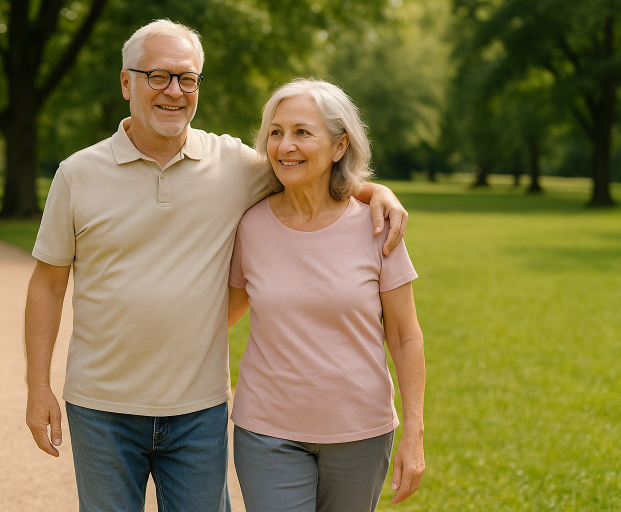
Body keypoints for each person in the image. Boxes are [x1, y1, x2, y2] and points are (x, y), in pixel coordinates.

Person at [24, 20, 410, 512]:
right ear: (126, 83)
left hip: (198, 412)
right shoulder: (78, 175)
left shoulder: (232, 165)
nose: (174, 91)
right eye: (158, 76)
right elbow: (47, 285)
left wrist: (376, 191)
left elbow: (307, 168)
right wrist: (39, 388)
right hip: (101, 408)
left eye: (187, 79)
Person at [227, 79, 426, 512]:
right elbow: (224, 314)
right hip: (266, 431)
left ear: (339, 146)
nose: (285, 145)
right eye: (275, 132)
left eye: (302, 132)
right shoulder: (250, 226)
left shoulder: (379, 227)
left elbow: (405, 336)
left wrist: (415, 432)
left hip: (361, 432)